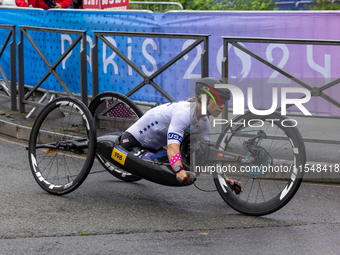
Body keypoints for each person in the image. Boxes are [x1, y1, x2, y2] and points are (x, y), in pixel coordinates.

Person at [120, 77, 243, 192]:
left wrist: (225, 180)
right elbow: (172, 147)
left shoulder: (204, 122)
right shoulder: (184, 114)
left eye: (225, 101)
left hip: (155, 148)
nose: (222, 106)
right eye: (218, 100)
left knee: (178, 162)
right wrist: (179, 170)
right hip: (133, 142)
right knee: (163, 166)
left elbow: (208, 154)